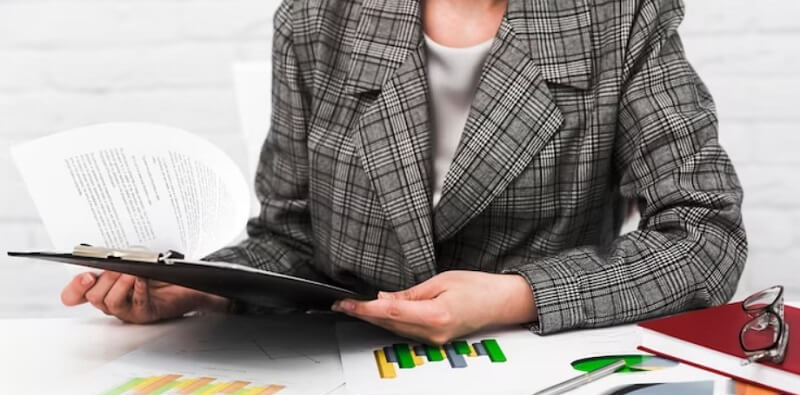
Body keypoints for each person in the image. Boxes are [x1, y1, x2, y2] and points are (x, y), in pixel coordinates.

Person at [60, 0, 747, 344]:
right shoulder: (316, 20)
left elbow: (705, 233)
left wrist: (516, 297)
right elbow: (292, 241)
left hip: (533, 368)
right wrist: (197, 288)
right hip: (341, 384)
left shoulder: (620, 17)